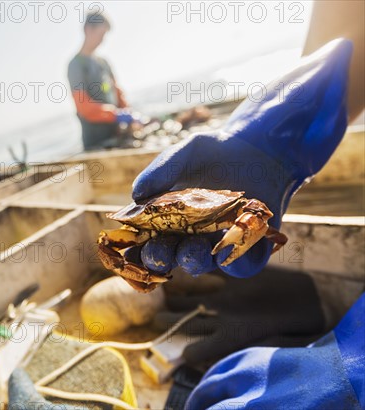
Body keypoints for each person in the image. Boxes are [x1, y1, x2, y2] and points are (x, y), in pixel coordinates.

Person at [132, 1, 364, 407]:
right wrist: (271, 137)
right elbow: (339, 46)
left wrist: (351, 370)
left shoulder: (239, 207)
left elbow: (260, 220)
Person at [67, 12, 137, 151]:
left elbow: (117, 92)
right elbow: (83, 106)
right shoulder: (76, 65)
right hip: (96, 142)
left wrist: (129, 113)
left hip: (117, 135)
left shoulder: (104, 63)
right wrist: (115, 114)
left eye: (104, 35)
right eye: (101, 34)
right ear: (88, 29)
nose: (102, 40)